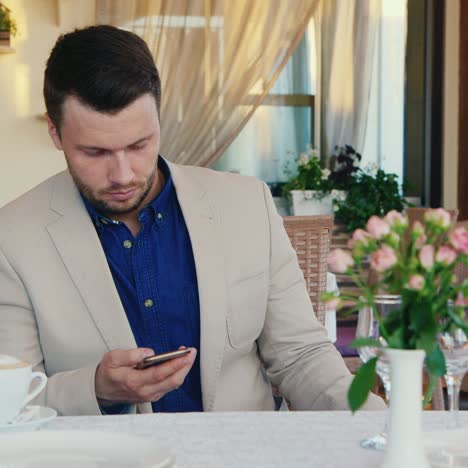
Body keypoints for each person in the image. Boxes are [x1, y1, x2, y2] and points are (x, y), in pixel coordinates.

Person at [0, 25, 384, 416]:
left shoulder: (246, 204)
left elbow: (301, 356)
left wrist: (381, 428)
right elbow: (12, 400)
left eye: (139, 145)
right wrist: (96, 389)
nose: (122, 174)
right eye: (94, 152)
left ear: (159, 120)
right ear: (54, 131)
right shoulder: (13, 237)